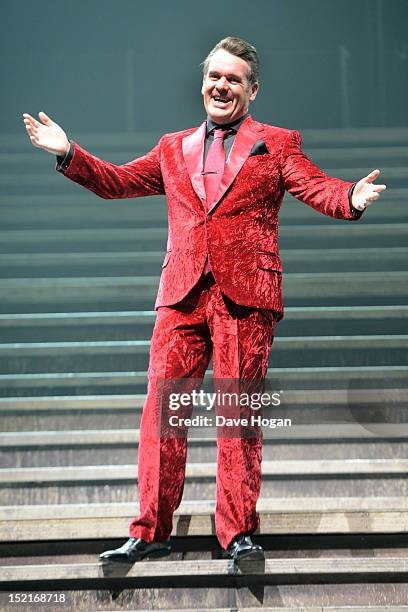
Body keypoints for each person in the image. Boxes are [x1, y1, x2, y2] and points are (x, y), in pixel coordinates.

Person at [23, 36, 386, 563]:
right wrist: (69, 153)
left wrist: (349, 197)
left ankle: (238, 533)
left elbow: (314, 186)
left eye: (233, 79)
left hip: (245, 296)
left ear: (252, 90)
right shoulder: (174, 147)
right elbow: (118, 181)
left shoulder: (277, 142)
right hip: (182, 295)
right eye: (214, 76)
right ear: (202, 83)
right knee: (162, 413)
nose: (221, 86)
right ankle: (150, 530)